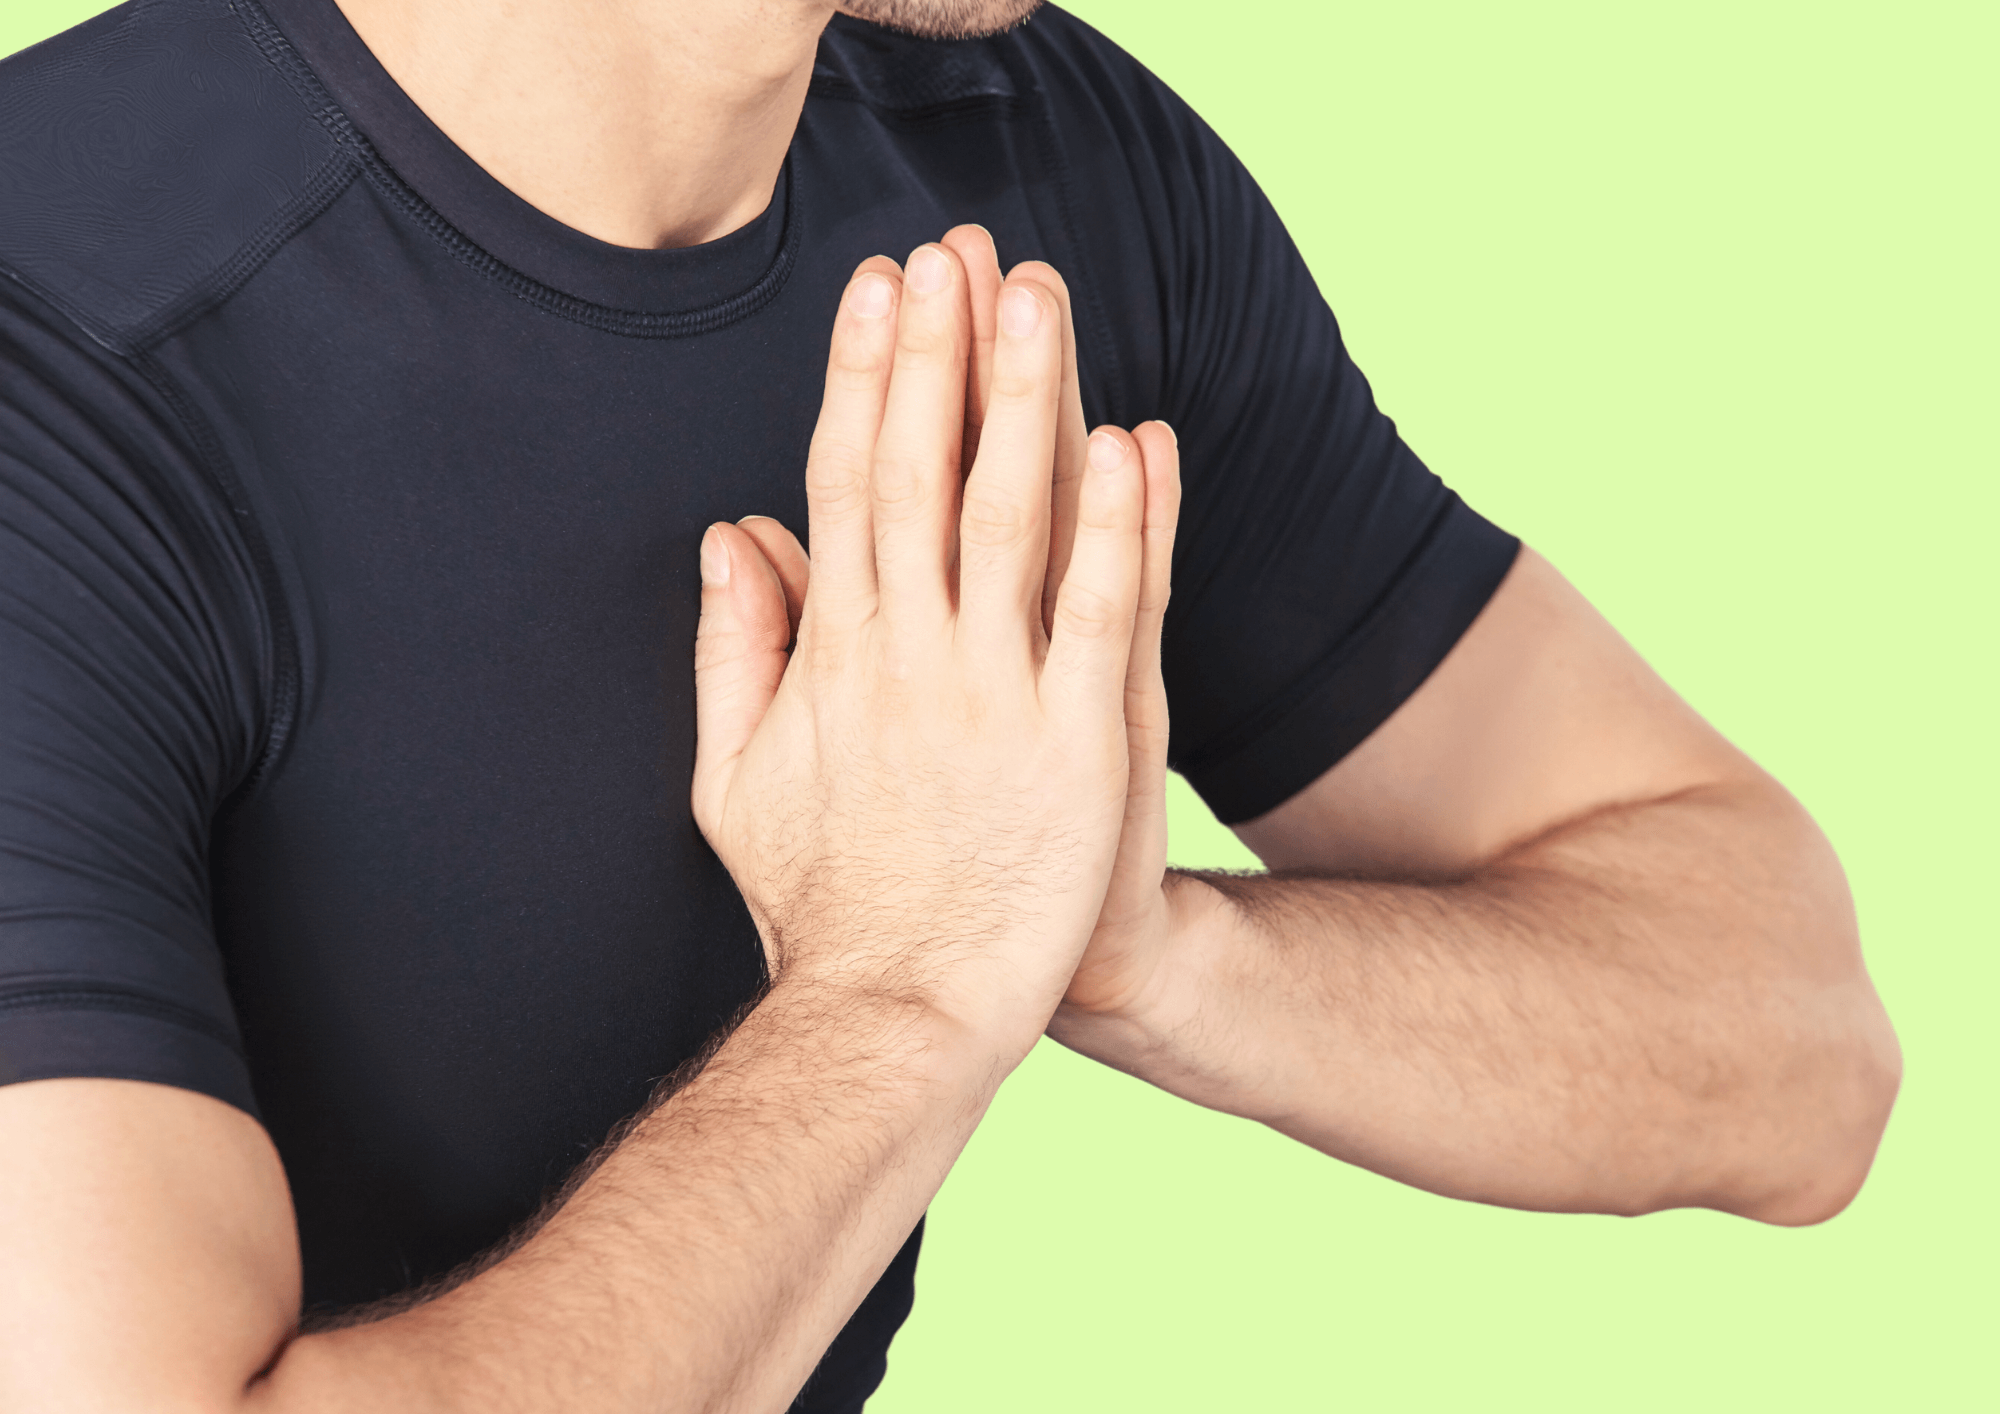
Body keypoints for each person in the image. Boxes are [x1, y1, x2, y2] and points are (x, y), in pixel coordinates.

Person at [0, 0, 1899, 1409]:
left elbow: (1797, 1045)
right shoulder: (66, 346)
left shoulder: (1043, 173)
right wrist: (900, 993)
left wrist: (1135, 950)